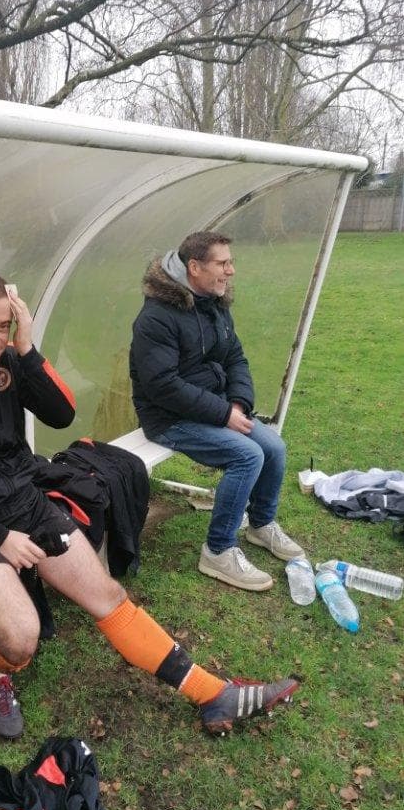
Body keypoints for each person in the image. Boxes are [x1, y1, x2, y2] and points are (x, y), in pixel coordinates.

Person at [0, 271, 298, 740]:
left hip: (26, 501)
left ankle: (214, 695)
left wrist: (27, 352)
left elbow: (62, 412)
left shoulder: (11, 359)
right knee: (19, 639)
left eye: (3, 326)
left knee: (107, 597)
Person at [130, 231, 306, 592]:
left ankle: (260, 524)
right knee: (247, 456)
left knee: (273, 447)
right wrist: (224, 413)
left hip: (213, 406)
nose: (231, 271)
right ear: (194, 267)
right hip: (168, 417)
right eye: (223, 263)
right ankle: (218, 550)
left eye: (231, 262)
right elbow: (162, 386)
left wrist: (238, 402)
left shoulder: (214, 305)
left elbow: (235, 357)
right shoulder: (156, 317)